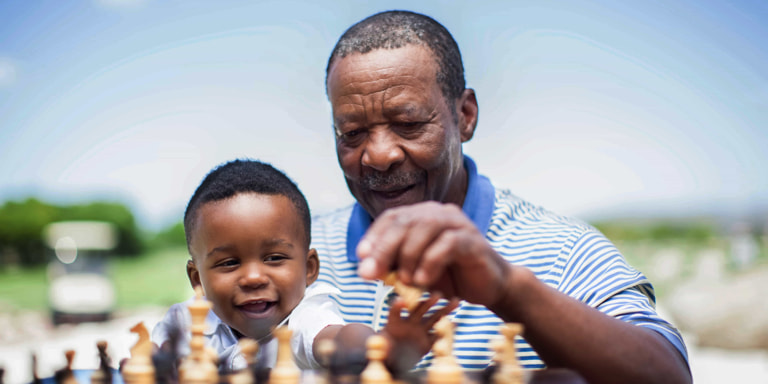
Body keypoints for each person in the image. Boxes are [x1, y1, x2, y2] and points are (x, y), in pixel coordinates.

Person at [311, 10, 692, 384]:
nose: (379, 155)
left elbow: (670, 375)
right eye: (352, 133)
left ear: (465, 115)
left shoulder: (564, 252)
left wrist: (509, 290)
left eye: (408, 125)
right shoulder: (300, 255)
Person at [151, 159, 454, 371]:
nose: (254, 277)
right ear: (197, 280)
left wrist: (382, 347)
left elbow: (338, 339)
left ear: (310, 269)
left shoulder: (304, 319)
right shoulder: (182, 323)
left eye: (274, 258)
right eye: (229, 263)